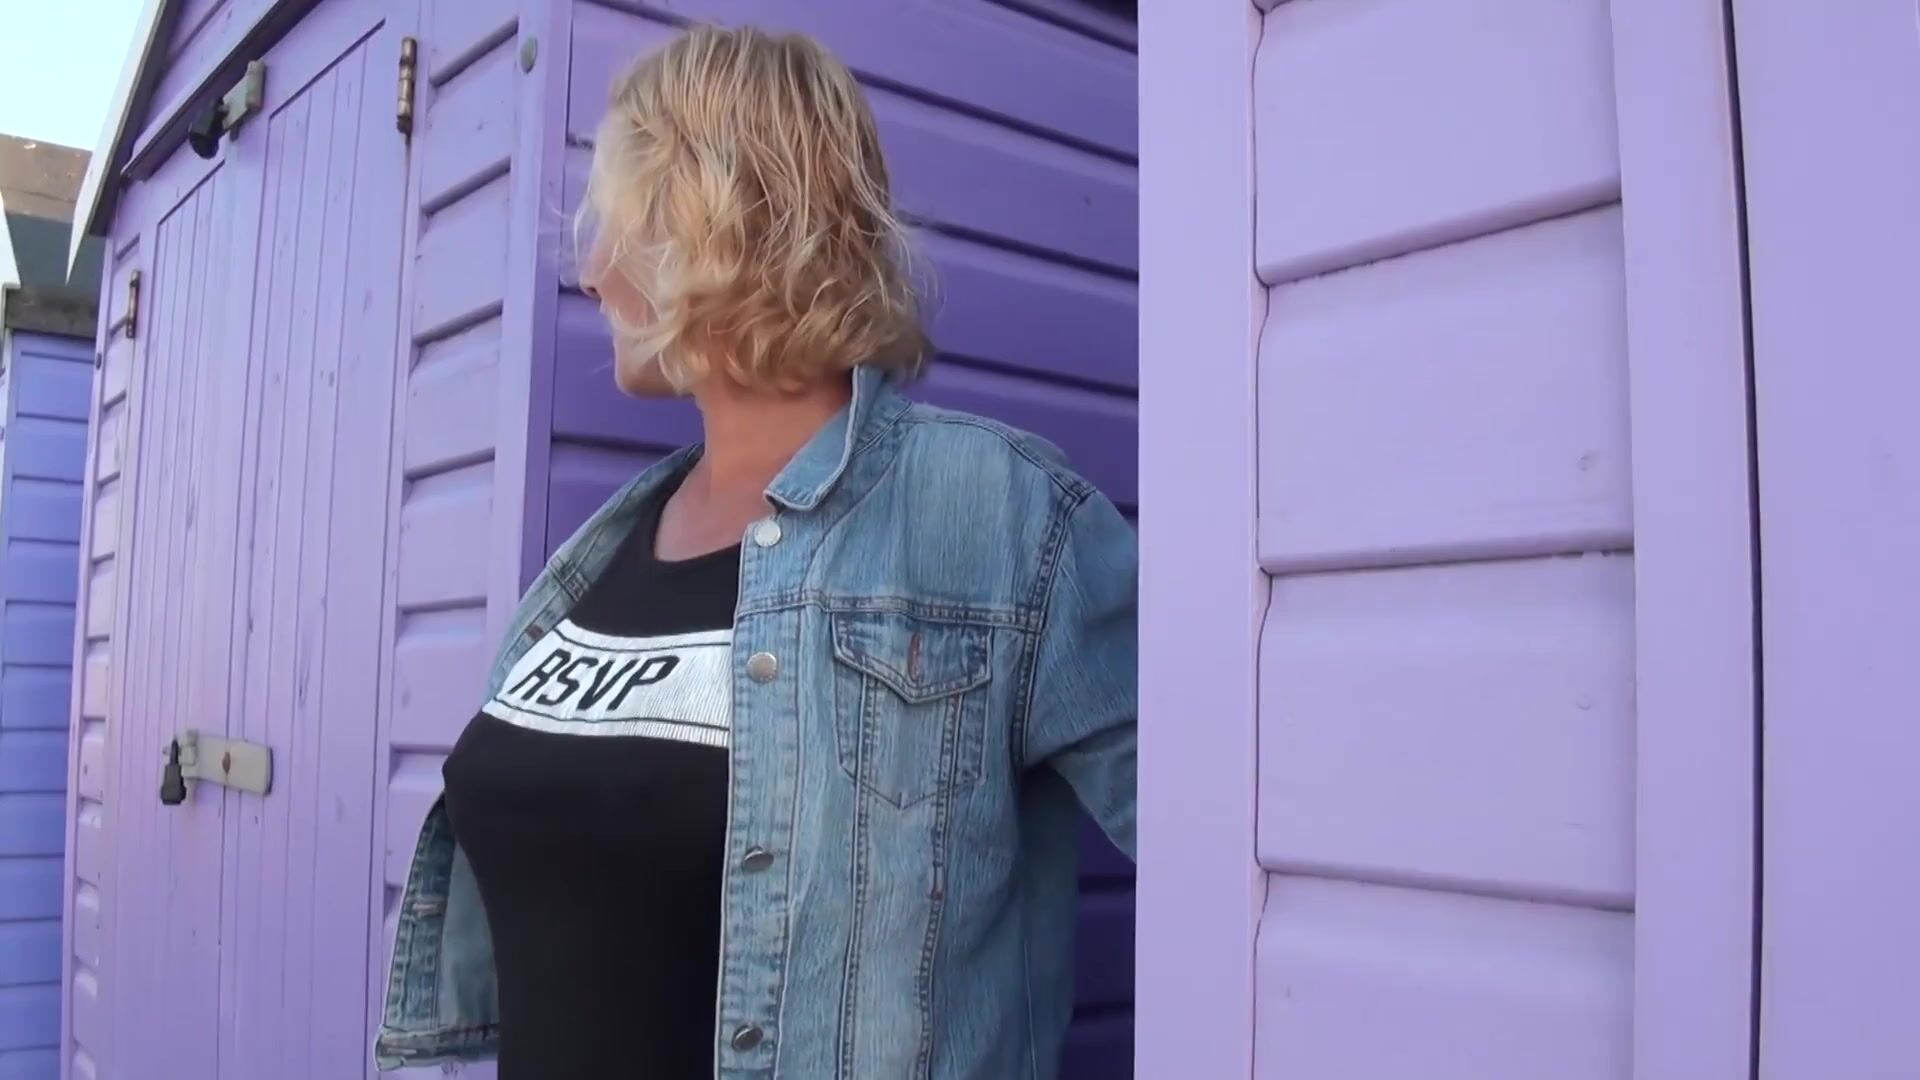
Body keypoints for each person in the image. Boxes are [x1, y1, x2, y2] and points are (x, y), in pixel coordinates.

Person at [373, 23, 1136, 1080]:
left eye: (616, 222)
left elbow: (1234, 851)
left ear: (709, 219)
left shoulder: (1002, 518)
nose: (591, 273)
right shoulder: (596, 556)